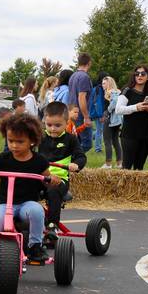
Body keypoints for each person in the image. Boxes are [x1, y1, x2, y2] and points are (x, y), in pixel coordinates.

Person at [0, 113, 60, 277]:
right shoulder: (3, 158)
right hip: (4, 204)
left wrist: (52, 180)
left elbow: (47, 179)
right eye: (11, 141)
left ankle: (35, 247)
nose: (14, 145)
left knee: (37, 211)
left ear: (32, 141)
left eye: (20, 141)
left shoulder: (39, 161)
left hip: (27, 203)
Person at [38, 101, 86, 243]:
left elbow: (81, 156)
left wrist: (76, 164)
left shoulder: (70, 139)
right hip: (39, 178)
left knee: (53, 190)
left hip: (59, 179)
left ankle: (52, 226)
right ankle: (23, 222)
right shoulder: (39, 138)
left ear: (67, 123)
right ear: (44, 122)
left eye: (57, 125)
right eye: (49, 125)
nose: (53, 129)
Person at [115, 64, 148, 170]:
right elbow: (118, 109)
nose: (139, 76)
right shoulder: (127, 90)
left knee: (139, 168)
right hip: (129, 135)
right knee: (127, 167)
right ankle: (123, 187)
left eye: (143, 74)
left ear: (147, 77)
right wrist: (136, 107)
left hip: (145, 136)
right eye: (137, 74)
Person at [68, 53, 93, 152]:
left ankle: (73, 162)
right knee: (86, 143)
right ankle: (74, 161)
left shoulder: (73, 76)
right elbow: (81, 97)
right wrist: (86, 117)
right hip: (80, 114)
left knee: (75, 141)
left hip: (72, 112)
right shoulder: (84, 77)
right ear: (89, 63)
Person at [101, 76, 123, 168]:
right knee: (115, 141)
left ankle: (108, 164)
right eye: (102, 83)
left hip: (110, 119)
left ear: (109, 83)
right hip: (116, 120)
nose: (102, 85)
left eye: (104, 83)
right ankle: (119, 163)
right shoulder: (118, 91)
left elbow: (114, 103)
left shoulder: (111, 92)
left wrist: (107, 111)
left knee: (107, 141)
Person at [89, 72, 107, 153]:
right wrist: (101, 115)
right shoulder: (99, 89)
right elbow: (98, 103)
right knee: (100, 130)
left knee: (99, 130)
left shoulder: (96, 88)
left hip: (96, 112)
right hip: (98, 113)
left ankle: (90, 136)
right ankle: (98, 149)